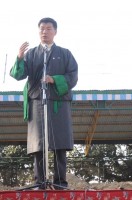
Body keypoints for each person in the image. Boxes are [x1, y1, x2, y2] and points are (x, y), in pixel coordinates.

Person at [10, 17, 78, 189]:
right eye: (41, 29)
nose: (44, 32)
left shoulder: (65, 53)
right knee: (38, 144)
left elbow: (73, 77)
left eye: (48, 28)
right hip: (37, 102)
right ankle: (39, 182)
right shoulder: (31, 54)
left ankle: (60, 182)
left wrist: (54, 79)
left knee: (60, 144)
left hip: (58, 104)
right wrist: (19, 58)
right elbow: (18, 75)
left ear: (55, 31)